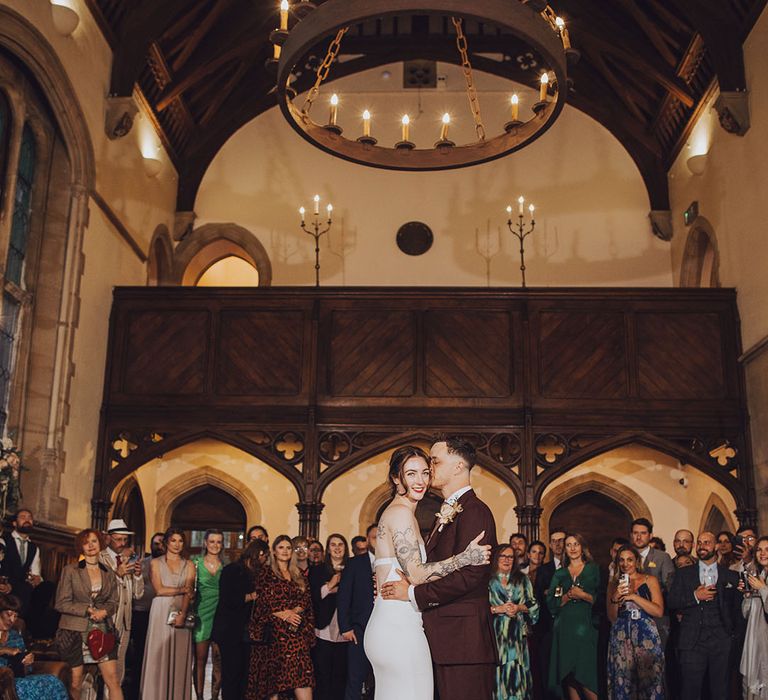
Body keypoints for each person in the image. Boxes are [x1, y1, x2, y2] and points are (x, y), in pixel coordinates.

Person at [376, 440, 496, 700]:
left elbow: (472, 576)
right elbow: (420, 570)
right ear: (397, 479)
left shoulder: (475, 511)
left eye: (435, 461)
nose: (429, 469)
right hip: (440, 637)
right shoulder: (427, 513)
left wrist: (411, 593)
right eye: (413, 471)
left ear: (458, 467)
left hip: (463, 640)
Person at [667, 531, 741, 700]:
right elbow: (671, 602)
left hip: (721, 641)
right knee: (690, 691)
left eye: (707, 542)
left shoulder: (731, 576)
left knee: (720, 690)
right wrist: (694, 596)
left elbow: (737, 610)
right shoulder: (684, 573)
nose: (702, 546)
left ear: (716, 546)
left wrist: (731, 636)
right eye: (699, 543)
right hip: (692, 640)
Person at [54, 528, 123, 700]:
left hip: (103, 630)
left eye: (94, 541)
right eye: (86, 542)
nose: (90, 545)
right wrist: (87, 609)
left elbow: (113, 601)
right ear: (81, 547)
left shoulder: (108, 572)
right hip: (74, 631)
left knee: (113, 680)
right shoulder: (70, 570)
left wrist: (104, 611)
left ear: (100, 543)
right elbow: (61, 603)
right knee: (76, 681)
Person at [246, 534, 315, 700]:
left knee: (303, 678)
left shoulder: (298, 573)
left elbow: (306, 599)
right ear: (274, 551)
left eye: (288, 547)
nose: (285, 551)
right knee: (273, 684)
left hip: (296, 634)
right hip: (273, 636)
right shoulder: (265, 573)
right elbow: (263, 601)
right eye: (281, 547)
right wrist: (285, 615)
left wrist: (294, 612)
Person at [140, 527, 196, 700]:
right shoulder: (155, 563)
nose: (177, 544)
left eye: (180, 541)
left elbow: (190, 592)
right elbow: (159, 590)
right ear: (166, 543)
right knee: (158, 654)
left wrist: (183, 613)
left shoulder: (189, 564)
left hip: (180, 611)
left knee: (179, 658)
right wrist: (181, 589)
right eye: (173, 540)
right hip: (160, 611)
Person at [212, 539, 269, 700]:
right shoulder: (232, 570)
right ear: (258, 554)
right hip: (229, 630)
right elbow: (227, 599)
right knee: (231, 673)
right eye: (265, 556)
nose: (265, 560)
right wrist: (251, 596)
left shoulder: (258, 573)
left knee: (245, 673)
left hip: (247, 631)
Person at [605, 545, 665, 700]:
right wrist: (616, 595)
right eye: (622, 560)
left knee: (650, 683)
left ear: (637, 561)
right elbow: (611, 616)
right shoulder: (613, 584)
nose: (626, 564)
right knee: (623, 682)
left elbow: (658, 611)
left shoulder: (649, 579)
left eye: (630, 559)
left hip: (645, 635)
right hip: (621, 636)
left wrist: (634, 596)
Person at [546, 533, 600, 700]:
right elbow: (552, 604)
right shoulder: (560, 574)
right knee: (568, 675)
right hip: (564, 629)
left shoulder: (593, 569)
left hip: (586, 627)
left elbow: (600, 599)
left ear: (582, 547)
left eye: (576, 544)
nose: (572, 548)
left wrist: (582, 595)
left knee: (586, 673)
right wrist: (568, 596)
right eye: (568, 545)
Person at [98, 518, 144, 691]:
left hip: (125, 622)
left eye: (125, 540)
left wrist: (138, 576)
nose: (122, 543)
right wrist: (117, 575)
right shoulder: (100, 559)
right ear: (108, 538)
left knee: (119, 667)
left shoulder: (128, 559)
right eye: (118, 539)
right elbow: (98, 590)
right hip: (106, 621)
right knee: (103, 667)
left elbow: (138, 594)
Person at [489, 544, 539, 699]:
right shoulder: (487, 581)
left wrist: (518, 607)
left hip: (517, 640)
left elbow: (534, 605)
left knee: (517, 679)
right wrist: (499, 609)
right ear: (496, 558)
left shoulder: (522, 579)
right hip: (495, 640)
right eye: (503, 556)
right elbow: (479, 609)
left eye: (510, 557)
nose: (506, 560)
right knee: (497, 681)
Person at [0, 593, 68, 699]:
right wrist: (4, 650)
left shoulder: (15, 636)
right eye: (9, 614)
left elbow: (25, 670)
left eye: (15, 616)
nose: (12, 620)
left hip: (14, 680)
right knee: (19, 688)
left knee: (53, 681)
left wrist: (27, 662)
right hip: (2, 683)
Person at [337, 524, 377, 700]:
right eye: (375, 537)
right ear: (367, 540)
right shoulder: (355, 563)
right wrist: (345, 627)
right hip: (359, 631)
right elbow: (344, 596)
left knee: (380, 680)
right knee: (355, 679)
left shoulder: (394, 562)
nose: (379, 540)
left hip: (386, 630)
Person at [310, 533, 351, 700]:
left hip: (345, 627)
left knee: (340, 674)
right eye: (333, 545)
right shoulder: (318, 570)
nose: (337, 548)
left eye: (340, 544)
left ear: (345, 548)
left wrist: (333, 591)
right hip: (324, 627)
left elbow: (355, 595)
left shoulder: (352, 568)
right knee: (323, 673)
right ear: (328, 549)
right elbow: (314, 596)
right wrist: (331, 585)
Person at [127, 531, 164, 700]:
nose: (159, 546)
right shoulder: (142, 564)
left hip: (162, 614)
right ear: (150, 545)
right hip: (142, 612)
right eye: (156, 543)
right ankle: (137, 690)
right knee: (140, 652)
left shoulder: (168, 564)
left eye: (162, 543)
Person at [191, 529, 224, 700]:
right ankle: (199, 697)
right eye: (212, 541)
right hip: (201, 615)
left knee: (219, 661)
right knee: (200, 660)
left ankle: (215, 696)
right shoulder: (195, 563)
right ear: (205, 543)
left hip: (219, 616)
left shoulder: (226, 566)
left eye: (219, 542)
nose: (215, 545)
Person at [630, 518, 673, 646]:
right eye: (635, 533)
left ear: (650, 536)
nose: (638, 537)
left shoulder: (662, 557)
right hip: (631, 617)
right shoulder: (626, 557)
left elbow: (670, 587)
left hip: (656, 618)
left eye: (643, 533)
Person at [740, 535, 768, 699]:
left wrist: (763, 589)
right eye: (759, 550)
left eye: (767, 550)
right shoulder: (759, 576)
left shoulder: (761, 581)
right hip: (754, 637)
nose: (762, 553)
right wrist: (748, 594)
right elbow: (747, 614)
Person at [2, 509, 43, 615]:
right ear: (14, 523)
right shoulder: (3, 541)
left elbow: (36, 574)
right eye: (23, 517)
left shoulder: (34, 548)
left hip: (21, 594)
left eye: (30, 517)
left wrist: (37, 579)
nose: (27, 520)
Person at [526, 540, 549, 700]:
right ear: (528, 554)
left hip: (541, 621)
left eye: (541, 552)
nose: (537, 555)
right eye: (534, 551)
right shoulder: (520, 572)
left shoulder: (547, 573)